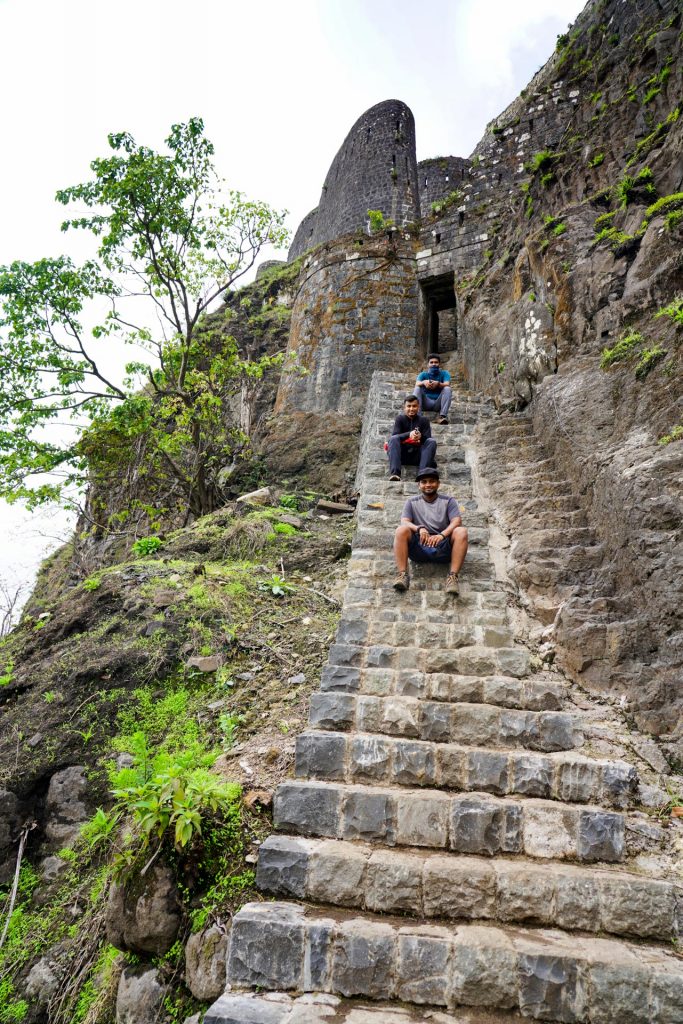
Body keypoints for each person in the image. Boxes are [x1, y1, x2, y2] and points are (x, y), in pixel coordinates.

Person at [393, 467, 467, 595]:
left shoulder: (449, 501)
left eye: (432, 481)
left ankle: (453, 578)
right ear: (419, 485)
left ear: (438, 483)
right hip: (420, 545)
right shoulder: (411, 502)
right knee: (401, 530)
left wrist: (442, 535)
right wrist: (420, 528)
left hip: (443, 547)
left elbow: (456, 521)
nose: (428, 485)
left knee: (461, 531)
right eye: (424, 482)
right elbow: (404, 521)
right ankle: (403, 575)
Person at [386, 395, 437, 482]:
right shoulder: (400, 419)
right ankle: (395, 473)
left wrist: (421, 437)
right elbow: (395, 437)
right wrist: (409, 434)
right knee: (393, 439)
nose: (411, 409)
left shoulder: (424, 420)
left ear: (418, 407)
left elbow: (428, 440)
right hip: (402, 455)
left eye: (414, 406)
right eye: (409, 406)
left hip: (419, 456)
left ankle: (422, 475)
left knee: (431, 441)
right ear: (404, 407)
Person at [413, 353, 452, 424]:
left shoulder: (444, 373)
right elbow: (417, 384)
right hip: (426, 403)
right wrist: (424, 382)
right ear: (428, 364)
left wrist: (438, 384)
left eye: (436, 362)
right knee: (417, 388)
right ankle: (417, 416)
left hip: (438, 403)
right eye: (431, 362)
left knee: (447, 389)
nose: (434, 364)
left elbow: (447, 384)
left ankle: (442, 416)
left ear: (439, 364)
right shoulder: (423, 374)